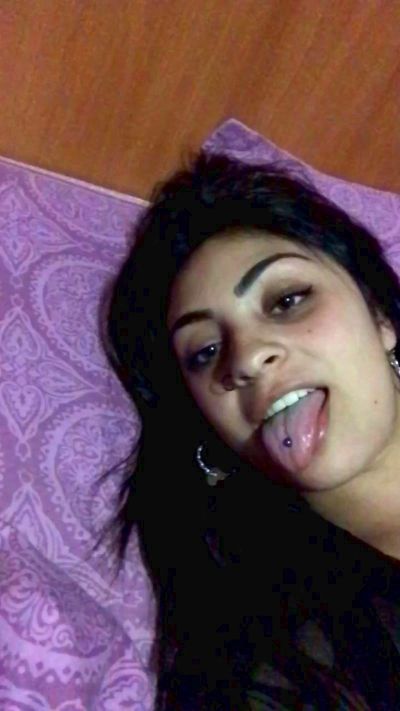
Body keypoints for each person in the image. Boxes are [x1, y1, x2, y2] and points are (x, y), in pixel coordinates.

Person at [104, 151, 400, 710]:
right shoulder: (277, 664)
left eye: (286, 301)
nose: (245, 358)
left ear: (380, 315)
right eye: (204, 351)